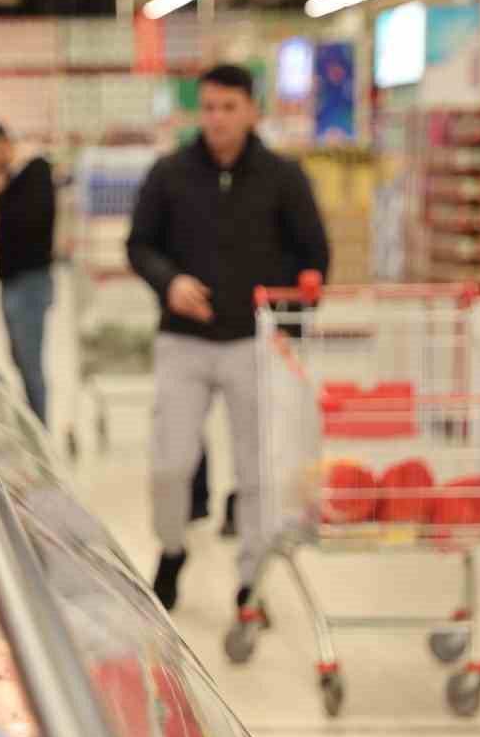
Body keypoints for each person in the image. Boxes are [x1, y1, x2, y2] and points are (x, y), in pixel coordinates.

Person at [127, 64, 329, 614]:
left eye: (229, 108)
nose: (217, 119)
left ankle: (252, 578)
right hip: (183, 342)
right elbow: (139, 245)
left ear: (252, 111)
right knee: (170, 462)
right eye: (209, 108)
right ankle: (171, 550)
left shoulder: (284, 178)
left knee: (257, 467)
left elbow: (316, 257)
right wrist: (169, 283)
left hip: (253, 345)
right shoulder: (168, 174)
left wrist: (288, 331)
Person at [0, 122, 57, 423]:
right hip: (12, 282)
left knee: (30, 362)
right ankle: (32, 425)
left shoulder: (36, 171)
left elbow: (31, 224)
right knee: (19, 359)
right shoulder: (12, 178)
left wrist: (2, 193)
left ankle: (41, 433)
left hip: (30, 284)